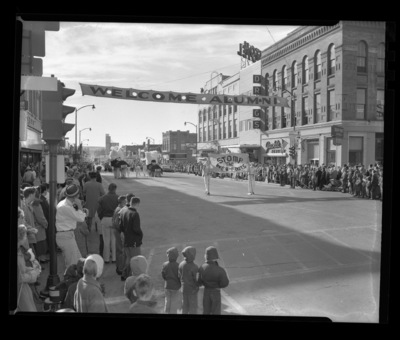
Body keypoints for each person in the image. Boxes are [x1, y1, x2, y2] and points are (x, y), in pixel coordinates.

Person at [55, 184, 89, 269]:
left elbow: (77, 214)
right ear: (76, 195)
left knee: (77, 261)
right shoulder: (65, 206)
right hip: (66, 236)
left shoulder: (66, 204)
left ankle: (76, 281)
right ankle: (70, 281)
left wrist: (81, 212)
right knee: (72, 264)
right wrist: (85, 213)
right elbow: (80, 218)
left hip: (68, 235)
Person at [197, 246, 229, 315]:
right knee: (216, 311)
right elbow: (225, 284)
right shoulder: (220, 270)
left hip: (206, 292)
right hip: (216, 292)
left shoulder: (201, 267)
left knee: (206, 311)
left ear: (206, 256)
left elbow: (199, 282)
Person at [16, 225, 41, 312]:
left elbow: (20, 268)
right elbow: (19, 277)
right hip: (19, 289)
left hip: (23, 287)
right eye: (25, 235)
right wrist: (34, 274)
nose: (26, 237)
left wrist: (31, 269)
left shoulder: (19, 250)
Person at [119, 197, 143, 281]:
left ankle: (124, 274)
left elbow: (120, 225)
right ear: (137, 204)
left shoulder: (124, 211)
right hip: (134, 240)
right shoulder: (135, 214)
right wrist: (140, 235)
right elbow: (136, 228)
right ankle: (134, 276)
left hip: (126, 239)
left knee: (128, 258)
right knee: (135, 259)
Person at [97, 183, 119, 264]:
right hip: (114, 219)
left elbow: (99, 210)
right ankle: (114, 258)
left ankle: (106, 259)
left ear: (108, 189)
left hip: (105, 219)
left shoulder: (102, 198)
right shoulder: (118, 198)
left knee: (106, 240)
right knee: (114, 240)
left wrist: (101, 217)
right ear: (115, 189)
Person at [178, 246, 199, 314]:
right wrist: (197, 287)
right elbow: (196, 280)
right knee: (193, 308)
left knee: (185, 306)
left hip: (183, 289)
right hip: (192, 290)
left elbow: (179, 276)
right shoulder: (194, 267)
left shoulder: (181, 264)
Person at [161, 247, 181, 314]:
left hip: (167, 286)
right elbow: (179, 277)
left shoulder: (164, 264)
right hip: (175, 287)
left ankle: (166, 313)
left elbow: (163, 275)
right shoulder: (178, 265)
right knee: (174, 303)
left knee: (167, 301)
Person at [31, 187, 49, 263]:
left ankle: (40, 258)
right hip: (39, 227)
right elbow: (40, 217)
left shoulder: (30, 203)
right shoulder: (36, 204)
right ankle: (41, 259)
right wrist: (46, 224)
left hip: (35, 226)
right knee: (41, 244)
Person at [112, 195, 127, 276]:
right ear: (122, 202)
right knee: (121, 250)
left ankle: (119, 267)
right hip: (118, 231)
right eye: (125, 201)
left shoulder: (117, 209)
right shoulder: (120, 210)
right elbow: (117, 223)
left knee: (119, 250)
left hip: (116, 231)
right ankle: (121, 268)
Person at [21, 186, 38, 255]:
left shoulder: (29, 205)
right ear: (31, 195)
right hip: (27, 237)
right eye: (34, 194)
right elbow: (23, 222)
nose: (35, 196)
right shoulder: (23, 207)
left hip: (31, 235)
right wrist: (30, 229)